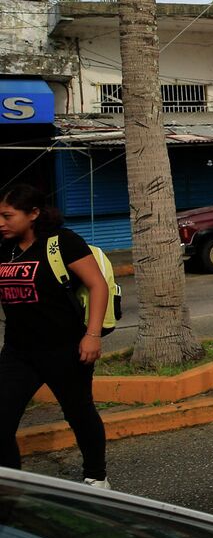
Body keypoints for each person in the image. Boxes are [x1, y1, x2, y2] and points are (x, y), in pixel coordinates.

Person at [0, 184, 110, 486]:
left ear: (33, 213)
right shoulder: (5, 247)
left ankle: (96, 477)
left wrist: (93, 335)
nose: (1, 222)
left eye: (8, 216)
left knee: (79, 413)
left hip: (65, 349)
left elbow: (98, 285)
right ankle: (10, 486)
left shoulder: (62, 242)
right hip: (18, 352)